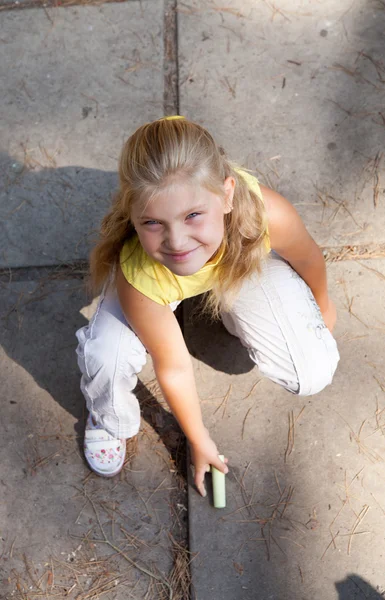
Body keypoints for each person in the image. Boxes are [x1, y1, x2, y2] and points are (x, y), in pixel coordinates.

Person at [75, 115, 340, 497]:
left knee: (313, 369)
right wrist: (199, 440)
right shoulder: (141, 273)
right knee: (106, 353)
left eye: (192, 215)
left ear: (227, 194)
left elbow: (310, 260)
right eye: (152, 222)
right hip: (156, 282)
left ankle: (235, 308)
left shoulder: (266, 215)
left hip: (235, 259)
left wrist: (322, 305)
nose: (177, 241)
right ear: (131, 217)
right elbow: (174, 365)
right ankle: (109, 419)